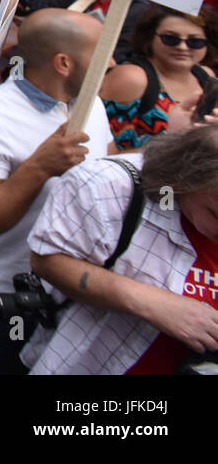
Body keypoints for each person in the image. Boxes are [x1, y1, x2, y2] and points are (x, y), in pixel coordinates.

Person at [0, 7, 113, 375]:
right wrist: (39, 167)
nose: (114, 62)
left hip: (71, 304)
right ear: (63, 63)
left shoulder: (93, 106)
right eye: (103, 52)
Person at [23, 123, 218, 374]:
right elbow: (46, 260)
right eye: (215, 215)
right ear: (186, 179)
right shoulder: (109, 186)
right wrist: (154, 304)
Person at [101, 4, 215, 152]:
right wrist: (175, 141)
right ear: (149, 38)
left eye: (195, 41)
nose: (182, 47)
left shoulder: (206, 76)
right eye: (170, 38)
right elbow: (105, 152)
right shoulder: (131, 77)